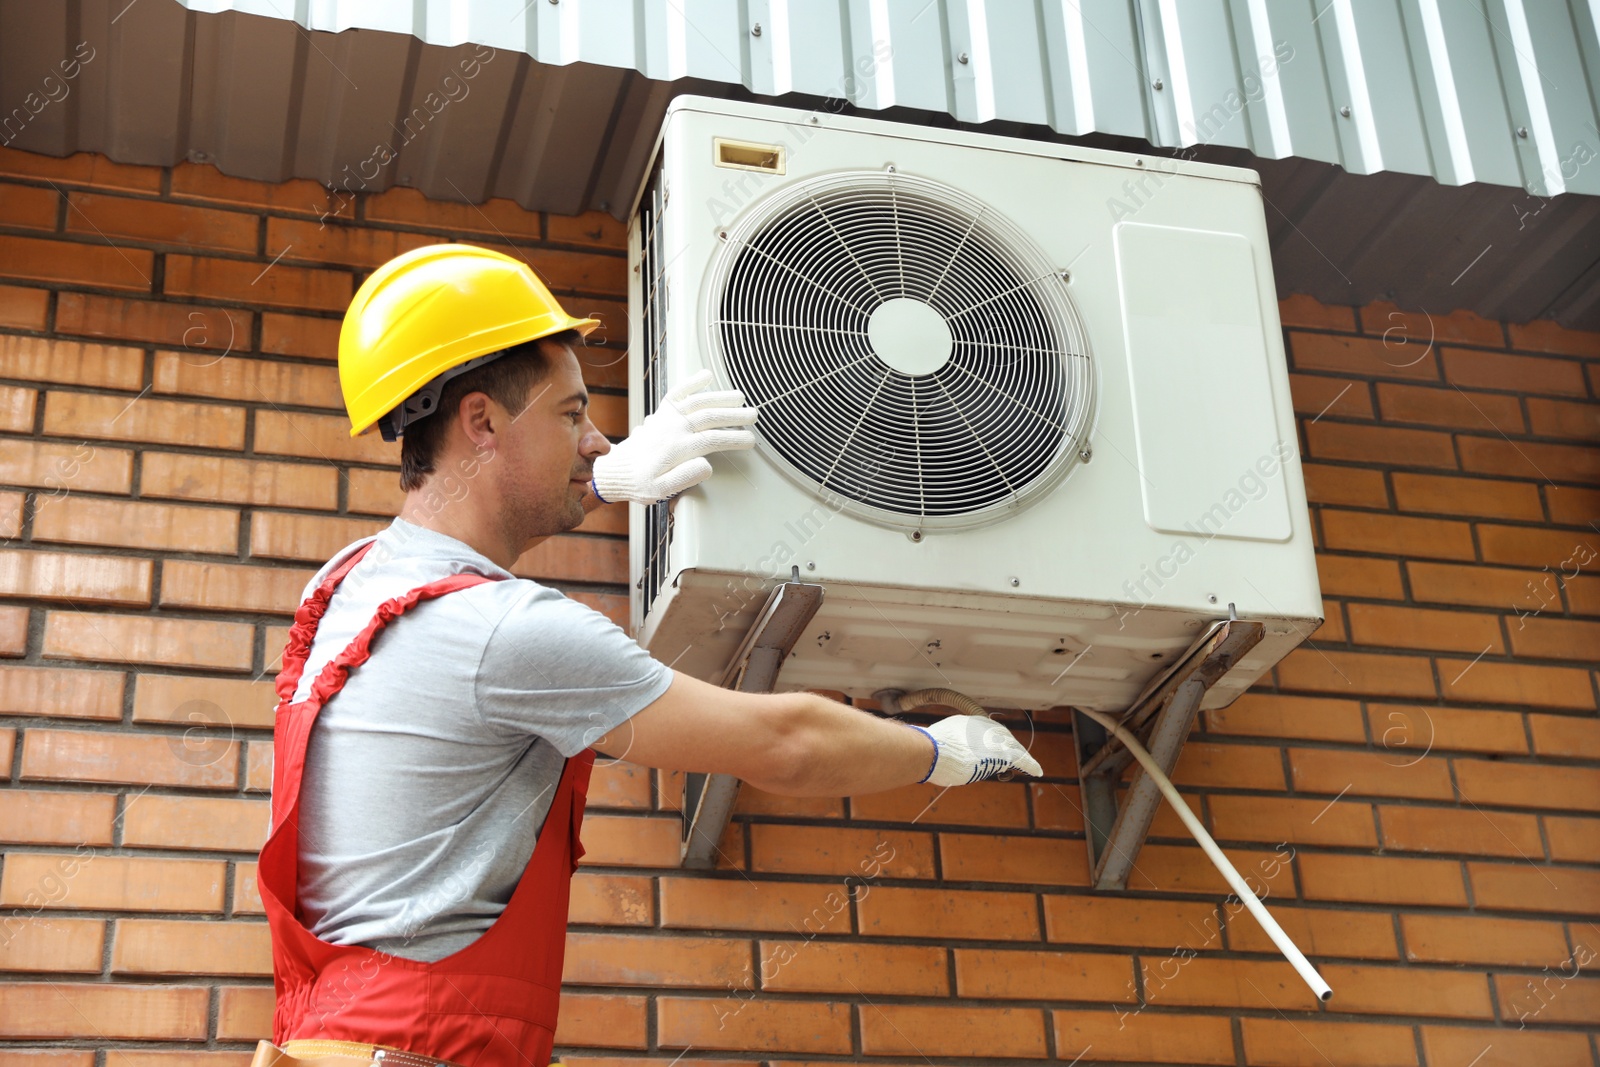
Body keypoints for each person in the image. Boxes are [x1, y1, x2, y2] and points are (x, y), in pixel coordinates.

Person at [252, 244, 1043, 1067]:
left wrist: (598, 481)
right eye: (571, 416)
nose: (598, 441)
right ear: (481, 422)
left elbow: (474, 527)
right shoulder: (507, 631)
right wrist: (942, 751)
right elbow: (787, 744)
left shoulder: (346, 586)